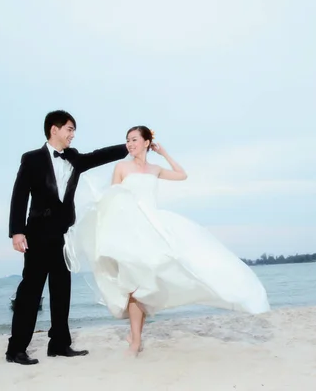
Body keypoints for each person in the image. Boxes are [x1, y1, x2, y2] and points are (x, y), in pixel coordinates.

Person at [64, 125, 270, 357]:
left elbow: (182, 175)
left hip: (154, 227)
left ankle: (135, 335)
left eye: (134, 140)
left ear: (145, 142)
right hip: (130, 231)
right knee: (134, 284)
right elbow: (112, 201)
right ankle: (135, 341)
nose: (130, 144)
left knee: (148, 283)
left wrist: (164, 153)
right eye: (127, 140)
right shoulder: (121, 167)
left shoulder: (155, 169)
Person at [6, 110, 128, 365]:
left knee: (62, 291)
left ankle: (59, 344)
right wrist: (17, 232)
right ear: (54, 129)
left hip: (64, 236)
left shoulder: (73, 158)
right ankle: (16, 349)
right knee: (30, 291)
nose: (72, 135)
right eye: (69, 129)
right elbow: (19, 196)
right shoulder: (32, 159)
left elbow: (98, 156)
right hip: (37, 236)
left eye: (73, 130)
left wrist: (127, 147)